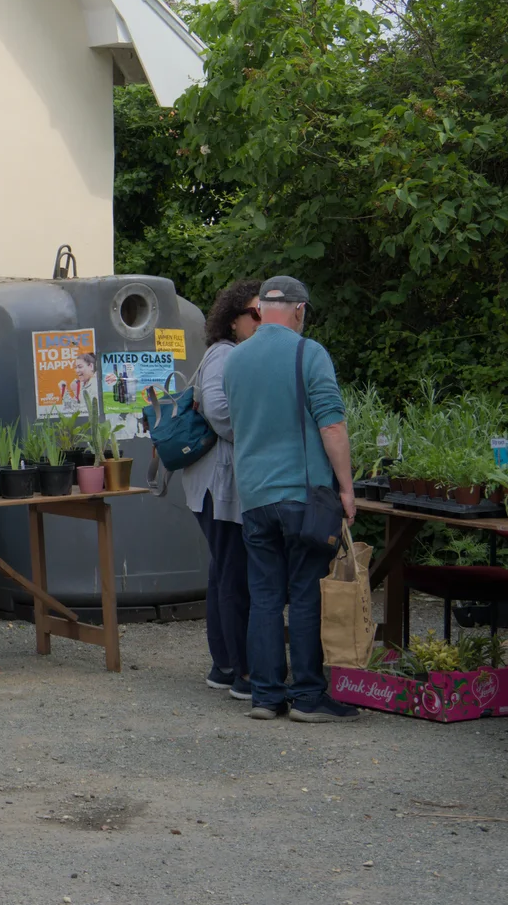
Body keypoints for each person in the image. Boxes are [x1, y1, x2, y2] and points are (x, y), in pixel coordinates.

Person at [223, 277, 358, 723]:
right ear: (299, 310)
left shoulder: (235, 359)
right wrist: (347, 488)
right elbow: (332, 426)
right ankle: (306, 698)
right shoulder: (309, 352)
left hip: (254, 497)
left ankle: (264, 696)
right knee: (303, 595)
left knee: (263, 597)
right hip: (304, 498)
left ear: (261, 310)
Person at [182, 280, 261, 702]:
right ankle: (243, 673)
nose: (262, 322)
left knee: (223, 571)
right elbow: (216, 410)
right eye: (255, 314)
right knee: (234, 574)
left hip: (218, 481)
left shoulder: (236, 355)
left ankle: (224, 666)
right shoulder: (225, 355)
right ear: (233, 321)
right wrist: (257, 434)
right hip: (219, 482)